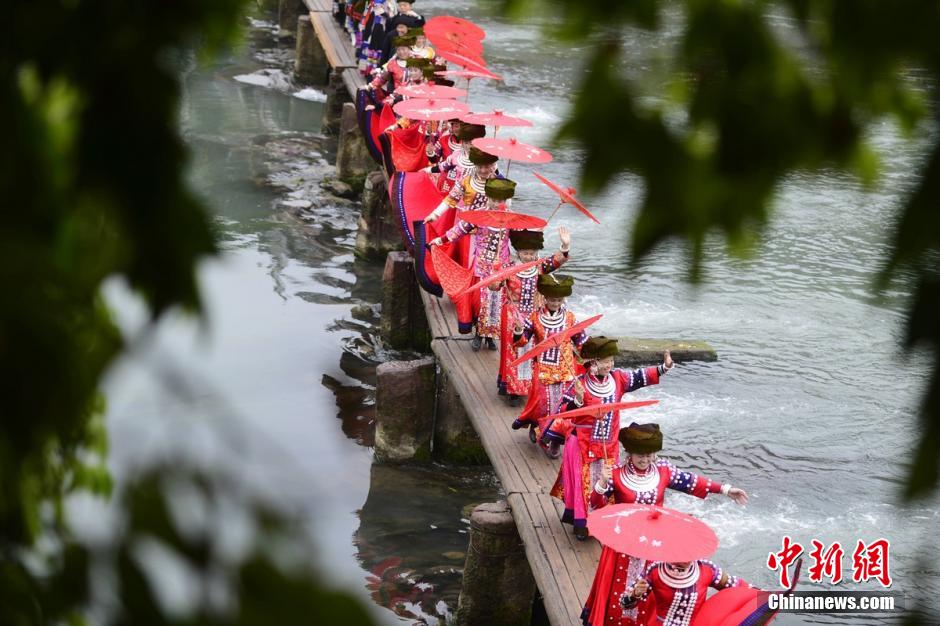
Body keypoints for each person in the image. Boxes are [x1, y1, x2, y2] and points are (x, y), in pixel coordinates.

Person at [581, 423, 749, 626]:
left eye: (649, 455)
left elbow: (691, 482)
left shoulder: (663, 470)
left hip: (655, 544)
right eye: (640, 455)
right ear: (629, 453)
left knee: (653, 590)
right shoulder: (615, 473)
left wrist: (725, 490)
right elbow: (595, 505)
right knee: (620, 590)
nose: (645, 460)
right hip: (623, 545)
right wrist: (601, 482)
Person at [549, 338, 674, 539]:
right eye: (606, 361)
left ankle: (603, 521)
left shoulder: (617, 379)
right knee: (585, 484)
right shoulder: (579, 383)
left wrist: (663, 368)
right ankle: (582, 523)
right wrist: (578, 400)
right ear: (594, 361)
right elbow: (562, 411)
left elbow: (639, 376)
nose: (610, 365)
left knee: (607, 483)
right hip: (583, 443)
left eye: (611, 360)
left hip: (609, 442)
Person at [428, 175, 514, 346]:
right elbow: (460, 229)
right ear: (488, 197)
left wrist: (533, 238)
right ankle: (478, 334)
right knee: (479, 302)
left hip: (501, 267)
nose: (497, 203)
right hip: (481, 266)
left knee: (496, 302)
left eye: (501, 200)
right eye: (494, 199)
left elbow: (519, 238)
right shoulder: (478, 215)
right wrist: (441, 240)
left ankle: (490, 337)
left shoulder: (510, 217)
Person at [511, 273, 588, 457]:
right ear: (545, 298)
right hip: (543, 367)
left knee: (564, 405)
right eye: (552, 300)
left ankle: (555, 440)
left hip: (565, 368)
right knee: (542, 404)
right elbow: (522, 341)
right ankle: (536, 425)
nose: (555, 303)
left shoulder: (570, 318)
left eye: (559, 300)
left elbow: (580, 340)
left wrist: (590, 356)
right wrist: (518, 331)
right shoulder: (535, 317)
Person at [497, 228, 570, 405]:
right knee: (514, 351)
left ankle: (529, 387)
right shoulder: (509, 268)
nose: (528, 257)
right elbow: (494, 286)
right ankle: (513, 390)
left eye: (532, 253)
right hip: (513, 314)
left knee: (533, 352)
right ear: (518, 252)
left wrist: (565, 245)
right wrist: (495, 271)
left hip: (533, 314)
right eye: (525, 253)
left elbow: (557, 260)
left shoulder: (540, 267)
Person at [622, 560, 750, 626]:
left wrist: (757, 593)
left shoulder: (706, 569)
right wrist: (634, 594)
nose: (684, 559)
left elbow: (736, 585)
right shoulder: (655, 570)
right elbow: (624, 604)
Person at [425, 122, 486, 194]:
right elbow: (439, 164)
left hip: (469, 188)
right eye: (456, 126)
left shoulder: (483, 153)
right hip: (447, 184)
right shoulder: (448, 145)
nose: (459, 129)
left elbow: (490, 173)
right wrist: (430, 154)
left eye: (461, 126)